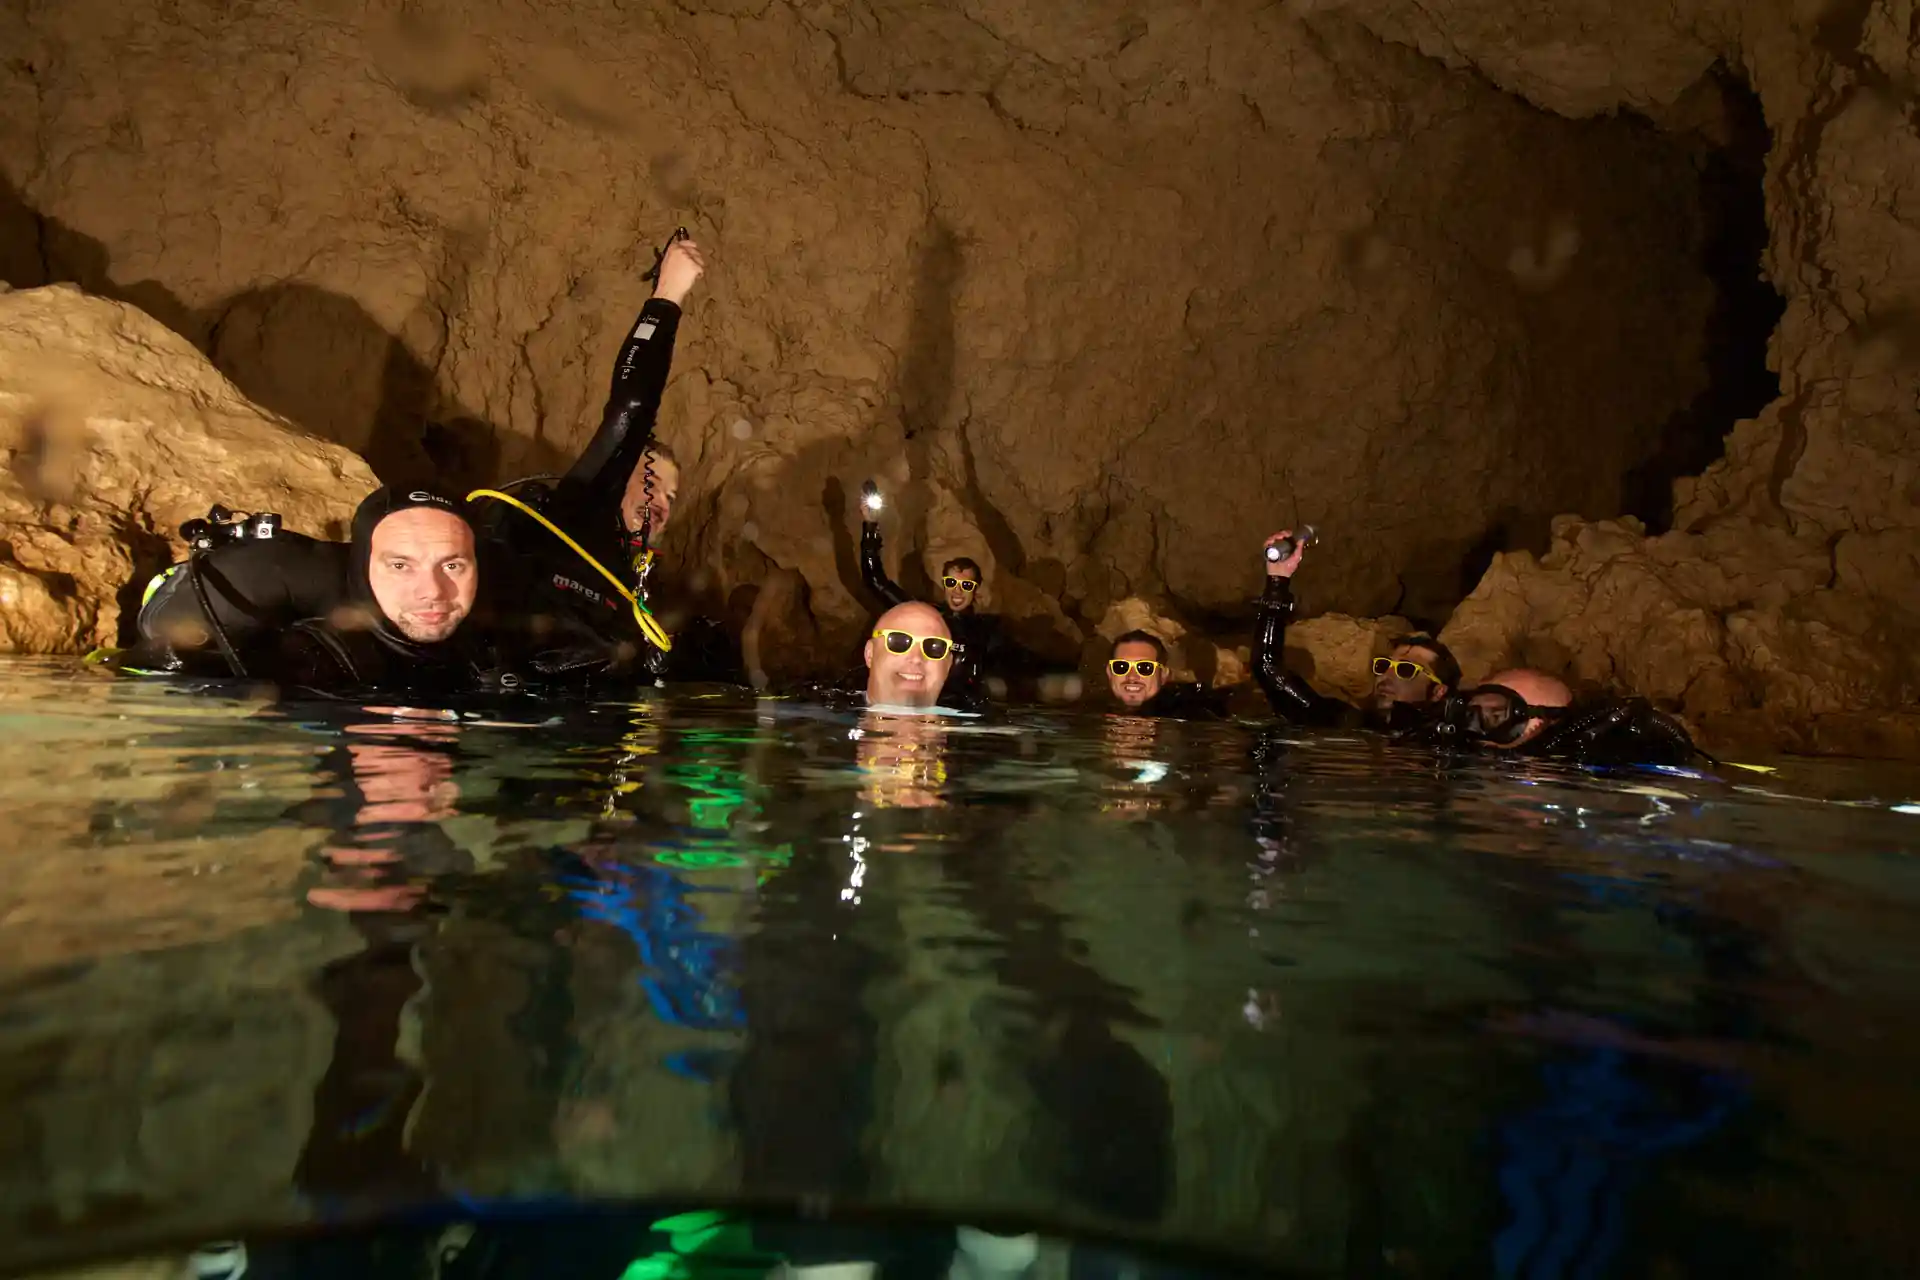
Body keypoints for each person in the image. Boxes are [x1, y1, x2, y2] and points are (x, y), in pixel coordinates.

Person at [475, 234, 706, 685]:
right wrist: (666, 298)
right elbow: (631, 410)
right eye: (651, 482)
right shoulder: (574, 516)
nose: (662, 502)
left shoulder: (637, 588)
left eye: (672, 497)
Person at [269, 487, 494, 697]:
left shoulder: (498, 645)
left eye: (452, 566)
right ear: (362, 568)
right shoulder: (313, 660)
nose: (433, 591)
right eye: (400, 566)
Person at [1250, 529, 1460, 729]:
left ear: (1438, 692)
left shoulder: (1441, 747)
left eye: (1406, 670)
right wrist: (1277, 580)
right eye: (1383, 665)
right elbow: (1268, 668)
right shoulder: (1343, 721)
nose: (1386, 675)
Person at [860, 520, 1032, 708]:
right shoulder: (925, 618)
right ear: (944, 585)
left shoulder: (987, 630)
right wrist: (870, 527)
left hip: (965, 712)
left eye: (966, 585)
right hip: (927, 704)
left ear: (976, 591)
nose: (957, 591)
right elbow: (876, 582)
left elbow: (1016, 666)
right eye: (951, 583)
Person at [1434, 668, 1702, 767]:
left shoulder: (1582, 753)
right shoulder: (1461, 749)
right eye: (1472, 708)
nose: (1472, 722)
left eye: (1495, 715)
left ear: (1533, 723)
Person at [1105, 630, 1226, 718]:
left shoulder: (1190, 714)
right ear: (1110, 673)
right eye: (1121, 667)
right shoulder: (1093, 712)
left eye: (1145, 667)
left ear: (1163, 675)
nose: (1132, 676)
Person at [864, 601, 954, 711]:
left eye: (933, 647)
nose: (916, 658)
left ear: (948, 665)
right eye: (899, 642)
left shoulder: (973, 724)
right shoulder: (839, 716)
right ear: (870, 654)